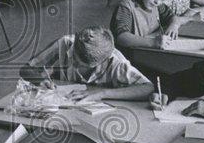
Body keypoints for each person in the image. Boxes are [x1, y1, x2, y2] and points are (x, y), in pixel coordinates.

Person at [21, 26, 152, 102]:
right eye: (73, 57)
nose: (74, 65)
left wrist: (102, 93)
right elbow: (26, 69)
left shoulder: (116, 62)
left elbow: (148, 88)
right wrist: (40, 80)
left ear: (103, 61)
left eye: (80, 64)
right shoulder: (66, 44)